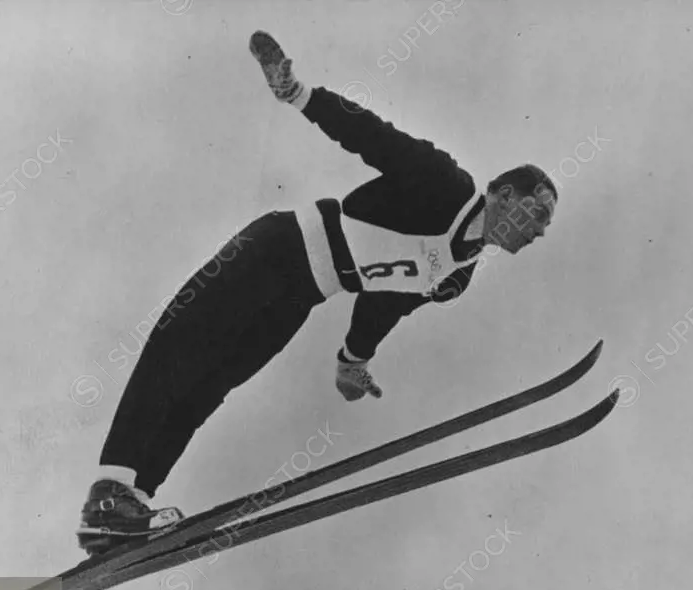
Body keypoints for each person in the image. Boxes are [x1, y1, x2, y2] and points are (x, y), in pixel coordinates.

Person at [76, 31, 557, 556]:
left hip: (300, 297)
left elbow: (385, 302)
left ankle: (132, 505)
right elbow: (373, 136)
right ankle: (109, 492)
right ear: (505, 194)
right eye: (536, 214)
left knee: (210, 385)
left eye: (542, 227)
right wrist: (299, 94)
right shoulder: (446, 185)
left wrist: (352, 359)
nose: (535, 232)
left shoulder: (456, 278)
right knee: (181, 344)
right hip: (276, 248)